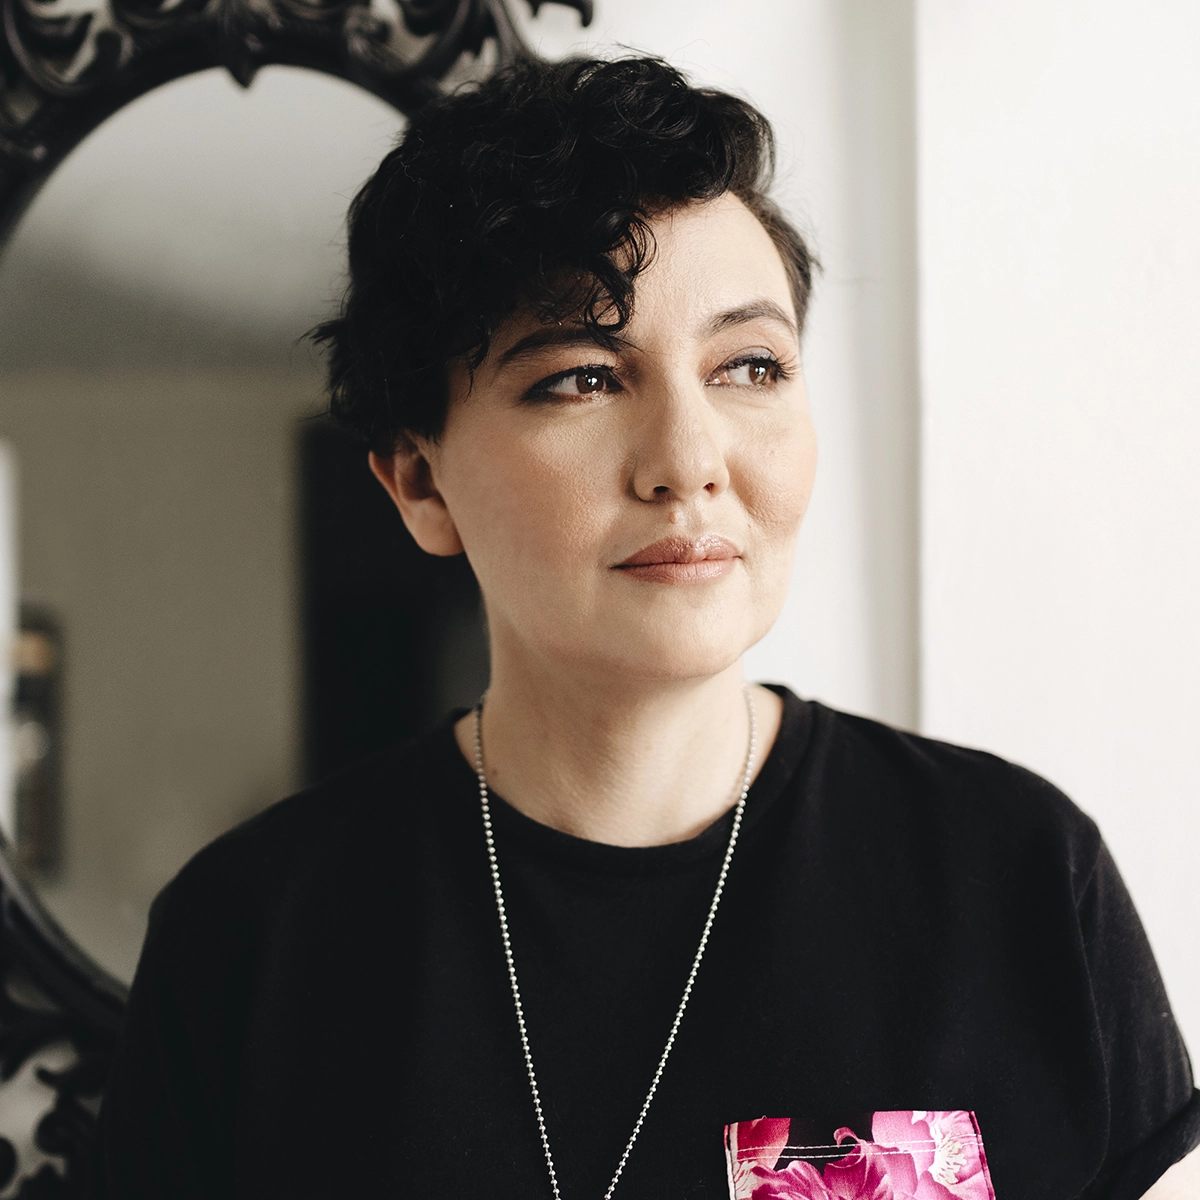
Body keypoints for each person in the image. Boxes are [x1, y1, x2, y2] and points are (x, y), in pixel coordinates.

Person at [91, 56, 1199, 1200]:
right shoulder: (249, 940)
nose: (689, 460)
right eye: (582, 378)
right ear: (419, 481)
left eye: (750, 366)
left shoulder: (1017, 875)